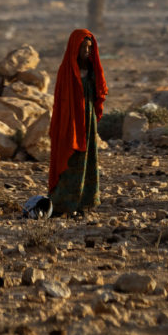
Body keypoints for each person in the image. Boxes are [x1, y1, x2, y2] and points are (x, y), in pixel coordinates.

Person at [48, 29, 108, 216]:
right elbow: (60, 102)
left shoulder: (92, 71)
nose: (87, 51)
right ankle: (63, 204)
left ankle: (84, 203)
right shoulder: (66, 70)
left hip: (87, 121)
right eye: (83, 47)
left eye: (90, 48)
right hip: (70, 121)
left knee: (88, 159)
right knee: (70, 158)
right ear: (75, 48)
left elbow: (100, 92)